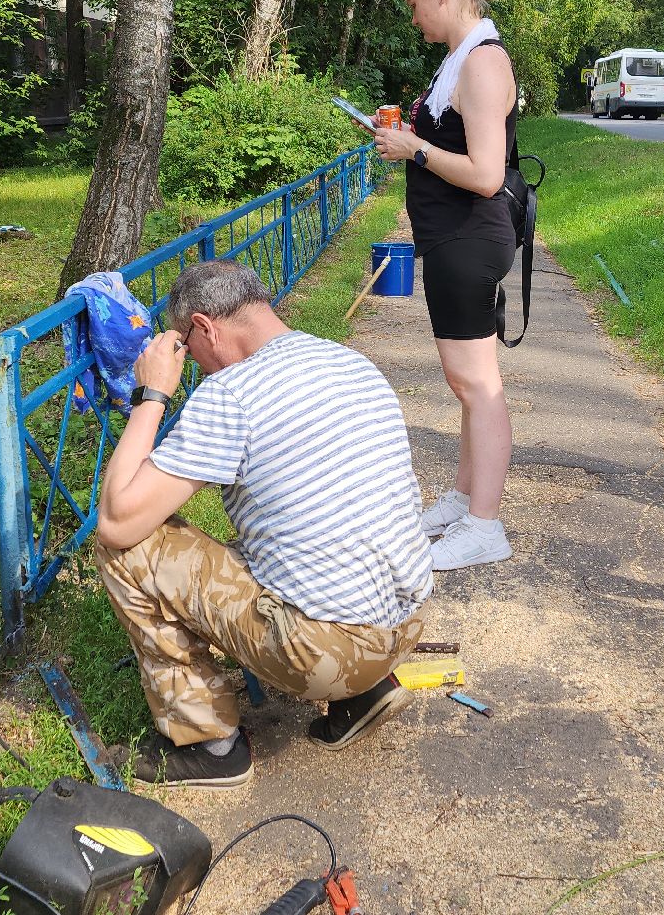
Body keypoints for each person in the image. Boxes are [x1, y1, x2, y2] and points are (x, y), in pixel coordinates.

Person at [92, 260, 432, 787]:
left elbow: (117, 521)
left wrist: (152, 395)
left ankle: (211, 745)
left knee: (132, 551)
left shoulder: (230, 395)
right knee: (295, 534)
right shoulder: (348, 360)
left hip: (326, 653)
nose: (192, 363)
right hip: (406, 623)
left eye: (185, 345)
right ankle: (365, 691)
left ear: (205, 327)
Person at [370, 0, 519, 572]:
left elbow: (486, 174)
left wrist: (415, 151)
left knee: (478, 386)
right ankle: (465, 500)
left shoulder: (482, 63)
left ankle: (486, 524)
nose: (414, 21)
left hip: (469, 235)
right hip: (452, 237)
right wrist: (412, 139)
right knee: (468, 384)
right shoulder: (460, 58)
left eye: (413, 6)